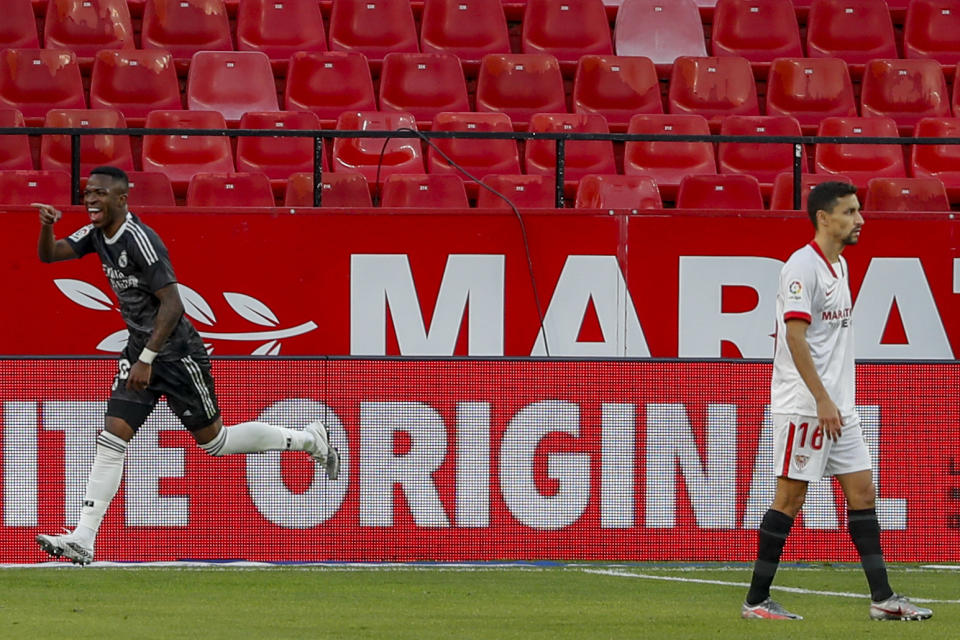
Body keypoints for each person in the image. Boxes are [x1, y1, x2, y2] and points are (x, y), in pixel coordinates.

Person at [32, 166, 340, 565]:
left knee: (216, 442)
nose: (90, 199)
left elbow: (174, 304)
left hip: (176, 353)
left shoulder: (142, 242)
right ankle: (84, 537)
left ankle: (309, 439)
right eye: (88, 192)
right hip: (139, 350)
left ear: (122, 199)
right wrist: (45, 227)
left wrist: (148, 359)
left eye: (100, 194)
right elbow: (50, 255)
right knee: (112, 438)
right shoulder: (95, 233)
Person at [741, 181, 932, 621]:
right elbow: (794, 337)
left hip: (839, 407)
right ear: (824, 218)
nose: (859, 219)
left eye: (858, 211)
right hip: (808, 407)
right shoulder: (800, 268)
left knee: (863, 493)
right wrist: (822, 399)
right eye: (849, 212)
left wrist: (837, 401)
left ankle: (883, 600)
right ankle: (755, 600)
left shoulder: (840, 267)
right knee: (789, 500)